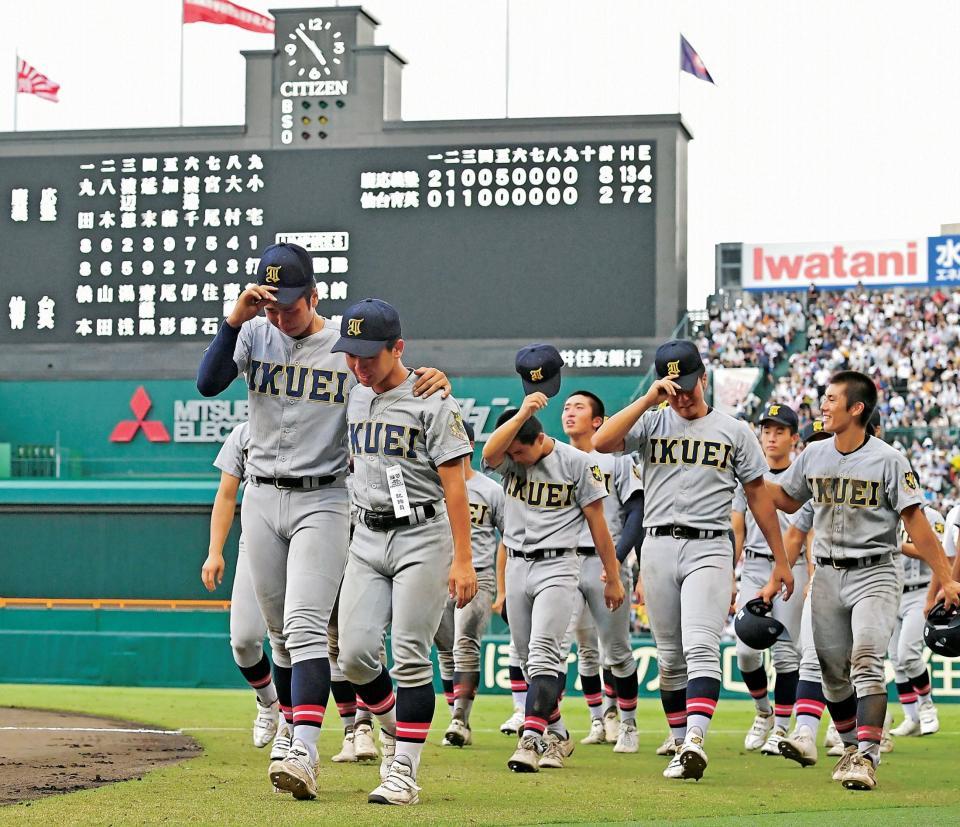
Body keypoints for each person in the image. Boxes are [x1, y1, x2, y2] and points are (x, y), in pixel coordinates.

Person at [196, 244, 450, 800]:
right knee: (280, 638)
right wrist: (234, 319)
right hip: (262, 495)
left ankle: (303, 751)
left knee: (308, 624)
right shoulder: (253, 332)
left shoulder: (344, 343)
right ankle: (355, 722)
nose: (279, 316)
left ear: (314, 296)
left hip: (325, 497)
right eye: (270, 305)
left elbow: (390, 375)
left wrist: (429, 378)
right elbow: (208, 383)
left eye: (289, 305)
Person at [594, 339, 793, 781]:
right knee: (669, 658)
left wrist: (781, 560)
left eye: (688, 384)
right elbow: (602, 441)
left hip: (709, 544)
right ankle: (681, 740)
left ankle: (695, 740)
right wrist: (649, 398)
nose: (682, 395)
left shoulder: (735, 430)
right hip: (658, 545)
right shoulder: (651, 422)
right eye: (673, 386)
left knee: (701, 644)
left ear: (703, 378)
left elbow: (759, 497)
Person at [764, 370, 960, 790]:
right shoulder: (814, 455)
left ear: (856, 408)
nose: (824, 404)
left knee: (867, 660)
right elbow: (786, 499)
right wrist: (751, 477)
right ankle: (853, 747)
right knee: (834, 675)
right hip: (827, 574)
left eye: (832, 398)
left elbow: (917, 521)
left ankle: (867, 756)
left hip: (874, 571)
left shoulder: (889, 459)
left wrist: (945, 578)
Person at [333, 298, 477, 806]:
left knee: (412, 655)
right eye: (351, 355)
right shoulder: (354, 395)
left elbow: (455, 484)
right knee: (352, 656)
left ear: (399, 348)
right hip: (366, 535)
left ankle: (405, 773)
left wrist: (463, 559)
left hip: (422, 533)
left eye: (369, 355)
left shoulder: (432, 398)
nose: (358, 364)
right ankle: (398, 729)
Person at [483, 346, 624, 773]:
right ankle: (559, 733)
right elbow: (489, 455)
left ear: (539, 441)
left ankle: (530, 738)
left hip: (558, 566)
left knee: (545, 653)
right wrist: (521, 412)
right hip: (518, 563)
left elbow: (599, 523)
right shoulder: (508, 458)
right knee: (526, 659)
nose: (514, 462)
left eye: (520, 453)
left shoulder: (577, 463)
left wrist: (613, 576)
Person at [558, 390, 644, 752]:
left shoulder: (617, 460)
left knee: (617, 651)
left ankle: (626, 723)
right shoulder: (554, 458)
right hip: (561, 561)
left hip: (603, 561)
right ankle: (594, 719)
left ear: (598, 421)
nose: (569, 412)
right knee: (566, 646)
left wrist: (618, 560)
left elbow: (636, 512)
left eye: (579, 407)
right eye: (566, 407)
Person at [201, 420, 286, 753]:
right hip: (258, 539)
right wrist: (214, 552)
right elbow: (226, 494)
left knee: (294, 639)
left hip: (309, 535)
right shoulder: (246, 432)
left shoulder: (319, 422)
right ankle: (269, 702)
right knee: (243, 640)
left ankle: (293, 730)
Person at [731, 404, 810, 756]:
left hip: (792, 568)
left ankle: (780, 728)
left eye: (780, 431)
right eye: (767, 430)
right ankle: (763, 711)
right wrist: (730, 576)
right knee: (746, 650)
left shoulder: (802, 478)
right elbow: (737, 526)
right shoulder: (748, 475)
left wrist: (806, 575)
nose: (772, 436)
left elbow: (801, 534)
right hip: (754, 566)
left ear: (795, 438)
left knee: (786, 652)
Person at [434, 420, 506, 747]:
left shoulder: (490, 489)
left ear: (471, 446)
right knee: (445, 650)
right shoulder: (430, 484)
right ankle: (455, 715)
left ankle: (460, 720)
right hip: (435, 574)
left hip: (477, 574)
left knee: (466, 643)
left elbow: (510, 537)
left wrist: (504, 587)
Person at [888, 502, 946, 738]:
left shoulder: (931, 515)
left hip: (920, 591)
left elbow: (936, 551)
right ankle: (911, 716)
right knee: (896, 659)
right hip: (892, 590)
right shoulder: (885, 513)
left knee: (908, 653)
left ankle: (927, 706)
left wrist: (931, 596)